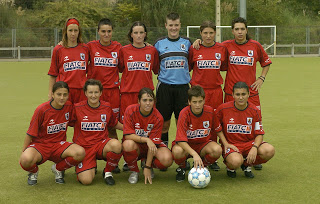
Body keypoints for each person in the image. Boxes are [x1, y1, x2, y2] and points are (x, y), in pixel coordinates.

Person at [19, 81, 85, 185]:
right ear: (53, 94)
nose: (62, 98)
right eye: (59, 94)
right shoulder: (42, 109)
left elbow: (74, 122)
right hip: (41, 145)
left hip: (59, 145)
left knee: (80, 153)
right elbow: (30, 133)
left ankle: (58, 169)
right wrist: (24, 150)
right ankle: (33, 172)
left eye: (65, 94)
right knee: (26, 159)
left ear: (68, 95)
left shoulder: (69, 106)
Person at [171, 85, 237, 182]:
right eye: (194, 102)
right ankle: (182, 168)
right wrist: (194, 154)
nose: (197, 105)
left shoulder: (210, 111)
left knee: (217, 149)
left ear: (204, 100)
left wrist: (226, 143)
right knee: (177, 151)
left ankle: (202, 167)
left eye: (200, 101)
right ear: (189, 102)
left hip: (203, 144)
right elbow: (180, 140)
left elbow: (217, 129)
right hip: (187, 145)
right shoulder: (184, 113)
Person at [188, 20, 228, 171]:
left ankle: (211, 156)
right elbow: (190, 66)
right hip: (198, 92)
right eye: (205, 33)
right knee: (196, 122)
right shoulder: (194, 48)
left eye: (211, 32)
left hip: (216, 91)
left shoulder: (221, 49)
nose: (208, 36)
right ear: (200, 34)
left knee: (214, 122)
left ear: (215, 33)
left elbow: (223, 67)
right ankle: (194, 154)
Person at [215, 82, 275, 178]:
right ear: (233, 95)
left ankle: (246, 165)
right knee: (235, 161)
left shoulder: (254, 110)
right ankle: (231, 167)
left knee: (269, 150)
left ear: (248, 94)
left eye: (243, 94)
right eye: (237, 94)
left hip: (249, 144)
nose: (241, 97)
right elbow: (216, 127)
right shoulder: (223, 109)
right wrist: (225, 143)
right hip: (231, 144)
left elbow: (259, 133)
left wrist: (254, 147)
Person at [71, 79, 123, 185]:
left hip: (101, 145)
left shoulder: (107, 107)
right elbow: (65, 122)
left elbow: (114, 123)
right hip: (84, 148)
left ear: (101, 93)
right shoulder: (77, 108)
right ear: (85, 93)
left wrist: (131, 130)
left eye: (96, 92)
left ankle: (107, 172)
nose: (93, 95)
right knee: (86, 181)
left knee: (116, 145)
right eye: (90, 92)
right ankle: (89, 165)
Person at [154, 12, 192, 148]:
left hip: (183, 88)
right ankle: (163, 150)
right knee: (164, 123)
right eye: (171, 25)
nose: (174, 28)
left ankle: (182, 154)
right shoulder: (159, 43)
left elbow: (192, 62)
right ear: (166, 26)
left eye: (176, 25)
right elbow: (154, 65)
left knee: (182, 123)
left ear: (180, 25)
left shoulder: (187, 43)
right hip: (164, 87)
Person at [122, 88, 173, 184]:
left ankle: (146, 163)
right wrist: (146, 139)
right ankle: (134, 170)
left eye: (150, 100)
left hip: (151, 146)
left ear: (154, 102)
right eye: (144, 100)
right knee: (127, 144)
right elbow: (128, 135)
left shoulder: (158, 117)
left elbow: (153, 143)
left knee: (167, 159)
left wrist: (147, 166)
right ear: (139, 101)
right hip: (136, 145)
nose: (148, 103)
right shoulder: (130, 110)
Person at [87, 18, 122, 140]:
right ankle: (92, 151)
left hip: (113, 92)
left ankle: (114, 155)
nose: (106, 34)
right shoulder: (90, 46)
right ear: (98, 32)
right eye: (103, 31)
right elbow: (75, 49)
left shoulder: (118, 47)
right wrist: (62, 43)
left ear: (112, 31)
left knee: (112, 125)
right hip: (95, 92)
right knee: (94, 124)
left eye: (109, 31)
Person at [118, 21, 159, 124]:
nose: (139, 35)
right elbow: (120, 68)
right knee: (127, 124)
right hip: (128, 94)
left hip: (146, 95)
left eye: (141, 32)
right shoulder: (124, 50)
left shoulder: (152, 50)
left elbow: (155, 69)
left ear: (145, 34)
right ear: (131, 34)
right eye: (136, 33)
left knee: (147, 123)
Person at [48, 17, 89, 104]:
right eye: (70, 30)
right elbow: (53, 74)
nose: (73, 34)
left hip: (81, 92)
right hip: (64, 92)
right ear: (65, 31)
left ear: (79, 32)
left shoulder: (85, 48)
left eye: (75, 30)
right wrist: (50, 94)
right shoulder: (58, 49)